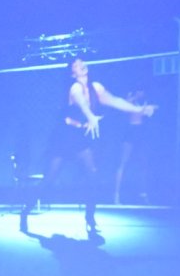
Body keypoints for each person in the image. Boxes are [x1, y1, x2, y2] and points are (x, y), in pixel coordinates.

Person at [30, 56, 155, 236]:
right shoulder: (75, 88)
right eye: (76, 65)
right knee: (49, 179)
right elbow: (82, 103)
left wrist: (139, 110)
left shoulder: (96, 88)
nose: (81, 65)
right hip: (65, 138)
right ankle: (26, 209)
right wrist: (90, 116)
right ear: (73, 73)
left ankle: (90, 218)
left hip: (80, 139)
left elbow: (115, 101)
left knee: (92, 175)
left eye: (82, 62)